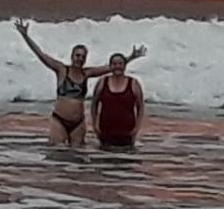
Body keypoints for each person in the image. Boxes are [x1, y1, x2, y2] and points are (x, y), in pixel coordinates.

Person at [14, 18, 145, 147]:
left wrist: (131, 57)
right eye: (77, 55)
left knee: (77, 158)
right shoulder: (61, 70)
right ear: (72, 56)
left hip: (78, 123)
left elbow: (112, 67)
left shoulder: (86, 73)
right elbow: (41, 55)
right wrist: (25, 36)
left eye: (83, 57)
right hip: (60, 120)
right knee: (56, 152)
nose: (80, 59)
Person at [91, 52, 146, 150]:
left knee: (127, 162)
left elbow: (140, 107)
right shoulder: (102, 82)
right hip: (105, 131)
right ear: (110, 66)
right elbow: (94, 104)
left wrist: (137, 128)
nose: (117, 67)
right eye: (114, 64)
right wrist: (95, 125)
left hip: (127, 132)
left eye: (120, 64)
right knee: (103, 160)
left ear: (125, 66)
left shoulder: (133, 83)